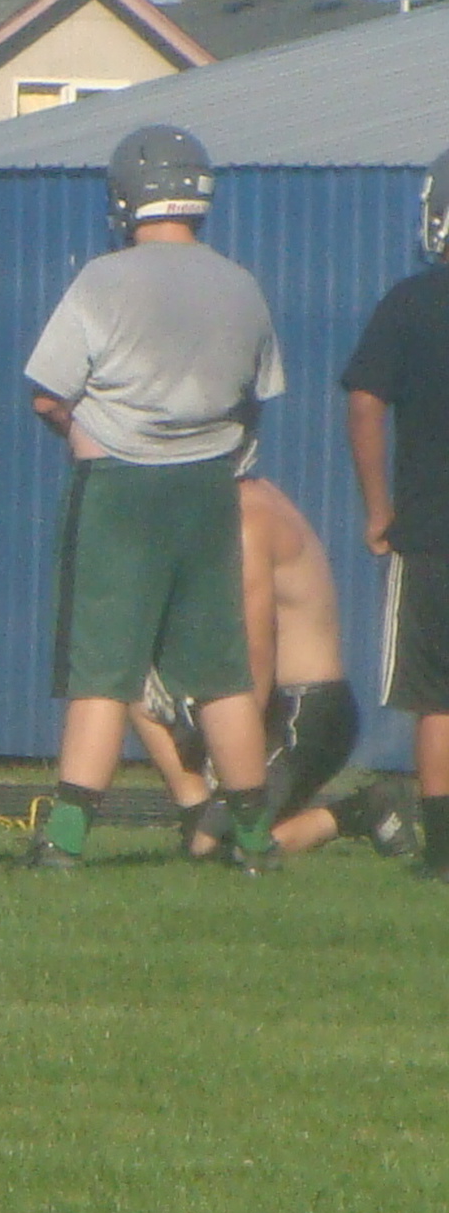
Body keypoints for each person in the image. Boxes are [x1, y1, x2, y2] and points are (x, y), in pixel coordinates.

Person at [21, 126, 284, 873]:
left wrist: (86, 431)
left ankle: (65, 840)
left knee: (103, 669)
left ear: (128, 196)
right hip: (208, 488)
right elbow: (258, 395)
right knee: (220, 671)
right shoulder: (240, 283)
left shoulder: (103, 279)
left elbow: (47, 394)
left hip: (119, 487)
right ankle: (256, 843)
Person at [130, 473, 408, 860]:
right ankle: (197, 814)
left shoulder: (249, 522)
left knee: (232, 847)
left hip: (307, 717)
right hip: (272, 704)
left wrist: (236, 744)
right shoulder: (236, 503)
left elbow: (255, 652)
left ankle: (362, 810)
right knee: (131, 681)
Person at [344, 150, 449, 880]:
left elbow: (364, 401)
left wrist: (378, 510)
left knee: (436, 697)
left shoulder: (411, 302)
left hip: (431, 532)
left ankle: (442, 853)